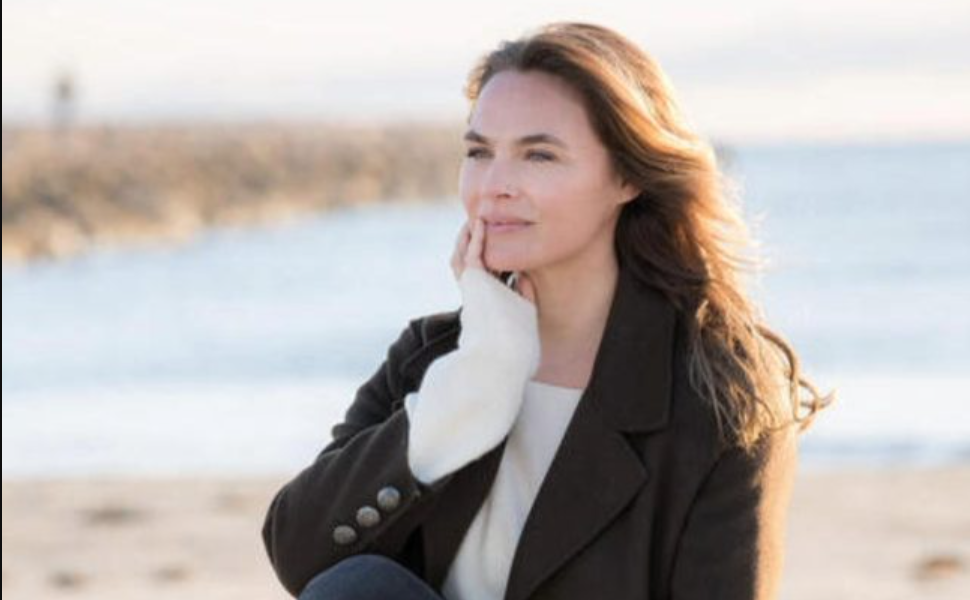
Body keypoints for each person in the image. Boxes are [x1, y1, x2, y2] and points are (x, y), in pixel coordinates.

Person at [262, 21, 835, 600]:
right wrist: (477, 381)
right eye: (479, 152)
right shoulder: (435, 358)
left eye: (539, 155)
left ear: (627, 176)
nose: (494, 186)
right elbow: (300, 554)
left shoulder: (722, 395)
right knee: (363, 587)